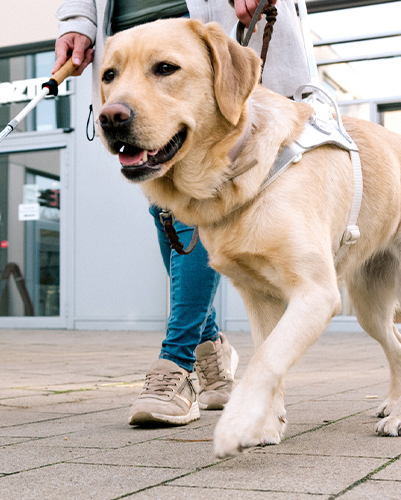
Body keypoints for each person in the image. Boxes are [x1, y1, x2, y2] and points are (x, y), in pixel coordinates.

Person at [55, 0, 312, 426]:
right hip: (126, 25)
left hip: (211, 22)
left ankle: (176, 364)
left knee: (200, 201)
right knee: (169, 213)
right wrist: (78, 22)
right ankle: (210, 351)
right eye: (109, 80)